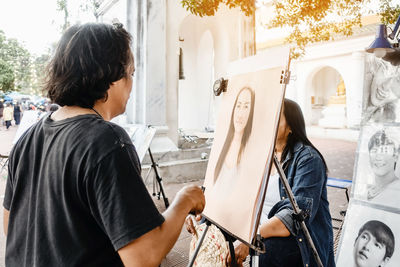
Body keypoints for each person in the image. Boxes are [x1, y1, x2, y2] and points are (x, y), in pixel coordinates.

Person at [3, 22, 205, 267]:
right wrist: (185, 199)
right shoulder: (106, 140)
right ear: (111, 76)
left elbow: (9, 224)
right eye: (130, 73)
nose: (131, 84)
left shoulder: (28, 137)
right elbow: (144, 256)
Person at [187, 99, 335, 266]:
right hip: (257, 230)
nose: (267, 122)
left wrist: (250, 239)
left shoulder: (308, 159)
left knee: (268, 251)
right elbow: (232, 192)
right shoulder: (260, 155)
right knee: (208, 232)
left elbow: (293, 218)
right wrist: (202, 213)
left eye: (275, 117)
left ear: (291, 127)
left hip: (296, 239)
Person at [211, 86, 255, 197]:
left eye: (246, 107)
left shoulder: (251, 150)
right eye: (238, 105)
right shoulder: (221, 144)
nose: (240, 114)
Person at [366, 130, 400, 202]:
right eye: (374, 151)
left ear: (396, 156)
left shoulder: (397, 190)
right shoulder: (366, 190)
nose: (378, 157)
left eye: (385, 151)